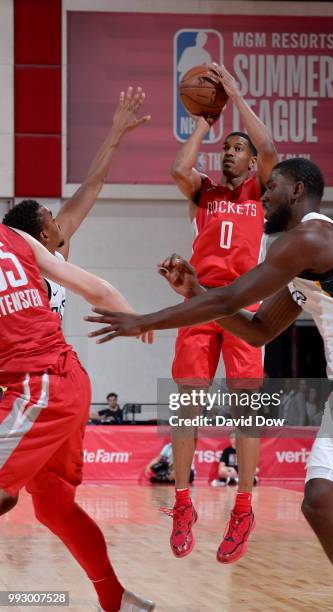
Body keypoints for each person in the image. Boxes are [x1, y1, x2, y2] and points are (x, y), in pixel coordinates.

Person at [87, 157, 333, 609]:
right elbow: (259, 331)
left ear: (297, 191)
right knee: (319, 503)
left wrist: (143, 318)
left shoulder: (311, 238)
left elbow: (233, 296)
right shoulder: (300, 261)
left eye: (271, 187)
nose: (263, 196)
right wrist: (198, 295)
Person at [0, 224, 154, 612]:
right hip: (69, 382)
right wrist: (137, 319)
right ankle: (116, 598)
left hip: (39, 388)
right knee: (54, 508)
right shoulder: (16, 237)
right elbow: (97, 289)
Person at [162, 62, 277, 562]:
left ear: (250, 164)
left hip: (244, 307)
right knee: (187, 405)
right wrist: (204, 121)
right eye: (225, 149)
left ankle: (243, 508)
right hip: (200, 302)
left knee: (245, 412)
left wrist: (234, 94)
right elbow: (177, 171)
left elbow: (270, 149)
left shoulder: (260, 191)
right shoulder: (203, 192)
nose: (229, 155)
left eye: (237, 150)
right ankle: (183, 502)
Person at [3, 86, 151, 324]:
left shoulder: (56, 254)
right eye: (51, 218)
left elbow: (92, 185)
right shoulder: (24, 278)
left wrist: (116, 132)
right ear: (43, 235)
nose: (58, 220)